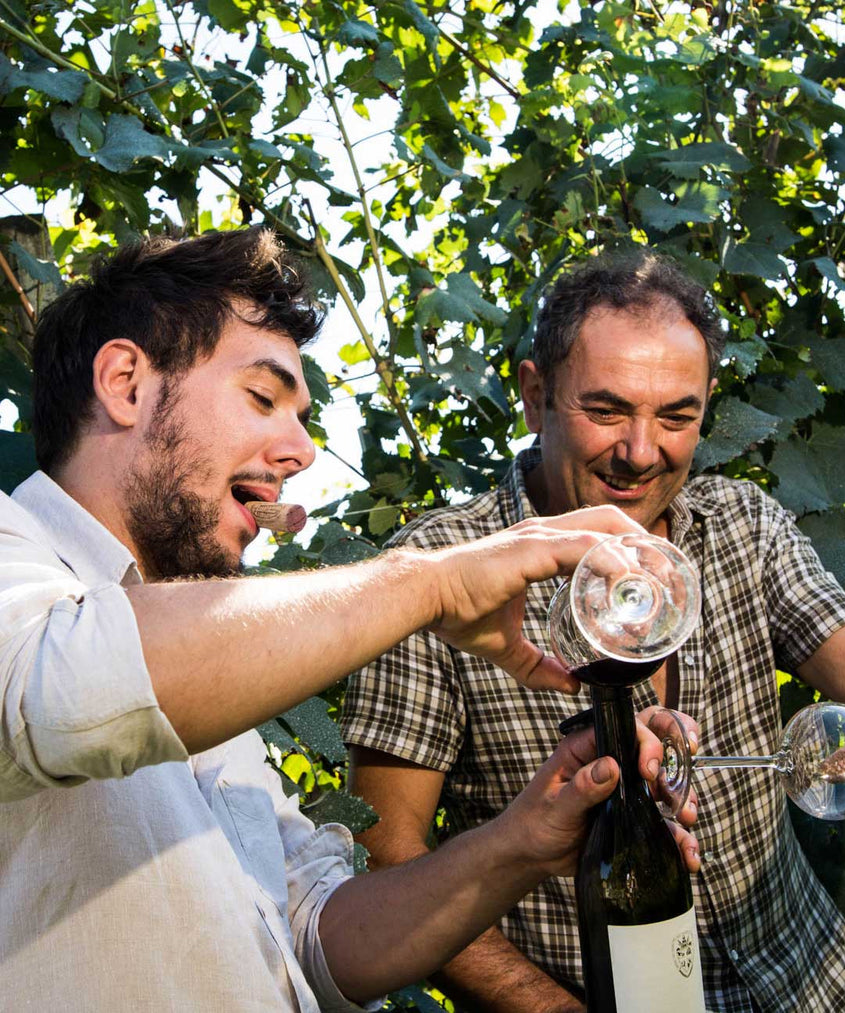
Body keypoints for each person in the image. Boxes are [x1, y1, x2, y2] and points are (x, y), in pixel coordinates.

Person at [0, 229, 701, 1011]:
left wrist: (523, 842)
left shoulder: (206, 680)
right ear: (126, 382)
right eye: (263, 397)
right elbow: (58, 685)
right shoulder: (17, 570)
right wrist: (434, 580)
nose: (300, 449)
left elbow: (321, 938)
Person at [339, 249, 845, 1013]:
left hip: (822, 991)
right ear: (535, 396)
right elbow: (383, 849)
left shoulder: (741, 523)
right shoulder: (437, 576)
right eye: (606, 410)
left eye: (676, 416)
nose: (640, 450)